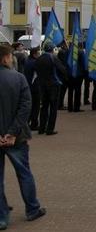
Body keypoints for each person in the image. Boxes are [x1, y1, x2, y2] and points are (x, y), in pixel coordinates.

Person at [0, 44, 46, 229]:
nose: (12, 59)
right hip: (16, 137)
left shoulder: (18, 77)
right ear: (5, 58)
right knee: (24, 173)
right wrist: (11, 132)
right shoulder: (18, 79)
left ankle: (2, 217)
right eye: (10, 56)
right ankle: (32, 208)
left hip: (8, 135)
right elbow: (25, 108)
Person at [34, 43, 67, 135]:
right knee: (53, 108)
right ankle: (50, 129)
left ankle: (41, 128)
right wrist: (65, 77)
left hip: (42, 85)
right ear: (52, 49)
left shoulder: (39, 58)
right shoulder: (53, 58)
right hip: (53, 85)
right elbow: (62, 69)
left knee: (44, 107)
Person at [23, 47, 41, 131]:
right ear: (34, 54)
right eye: (38, 53)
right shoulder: (35, 63)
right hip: (34, 87)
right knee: (35, 106)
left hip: (28, 86)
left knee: (30, 106)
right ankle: (34, 124)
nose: (39, 55)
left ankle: (27, 123)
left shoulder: (27, 61)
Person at [67, 43, 86, 113]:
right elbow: (84, 63)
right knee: (78, 91)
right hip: (78, 74)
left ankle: (70, 107)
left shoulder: (69, 51)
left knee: (70, 90)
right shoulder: (81, 52)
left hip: (70, 73)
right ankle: (76, 107)